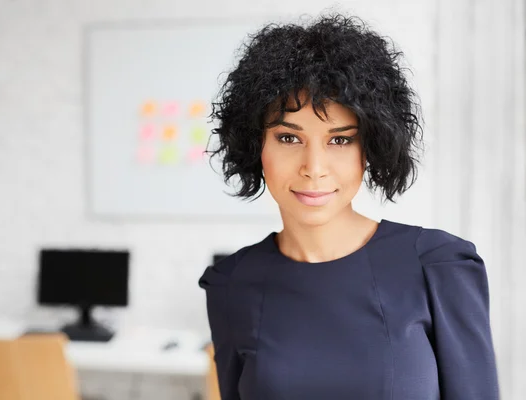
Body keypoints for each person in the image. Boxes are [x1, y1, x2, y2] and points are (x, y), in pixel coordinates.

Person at [197, 12, 500, 400]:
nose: (314, 169)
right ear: (257, 147)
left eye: (339, 140)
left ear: (369, 149)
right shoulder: (231, 284)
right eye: (289, 138)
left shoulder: (439, 268)